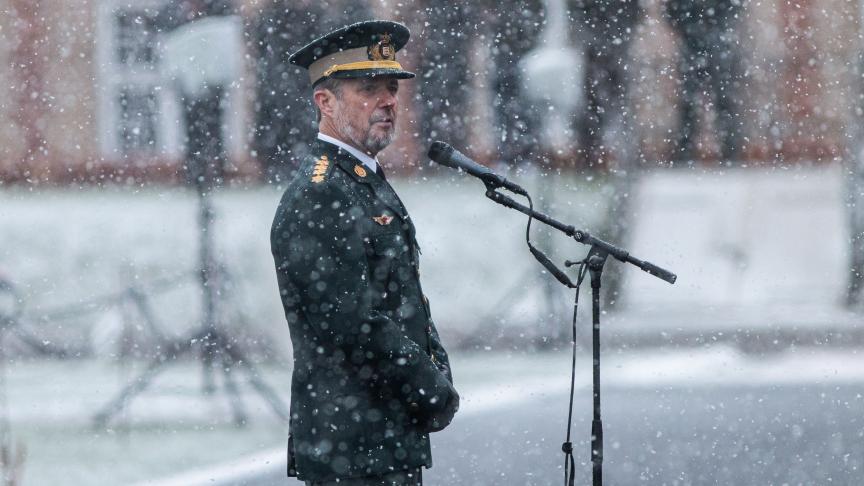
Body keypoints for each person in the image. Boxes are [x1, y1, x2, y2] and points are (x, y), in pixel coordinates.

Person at [270, 20, 459, 486]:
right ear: (325, 102)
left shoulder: (361, 181)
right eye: (368, 88)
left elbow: (405, 299)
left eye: (392, 87)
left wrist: (435, 368)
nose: (388, 101)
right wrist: (429, 386)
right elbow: (351, 322)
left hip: (382, 438)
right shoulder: (322, 191)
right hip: (350, 446)